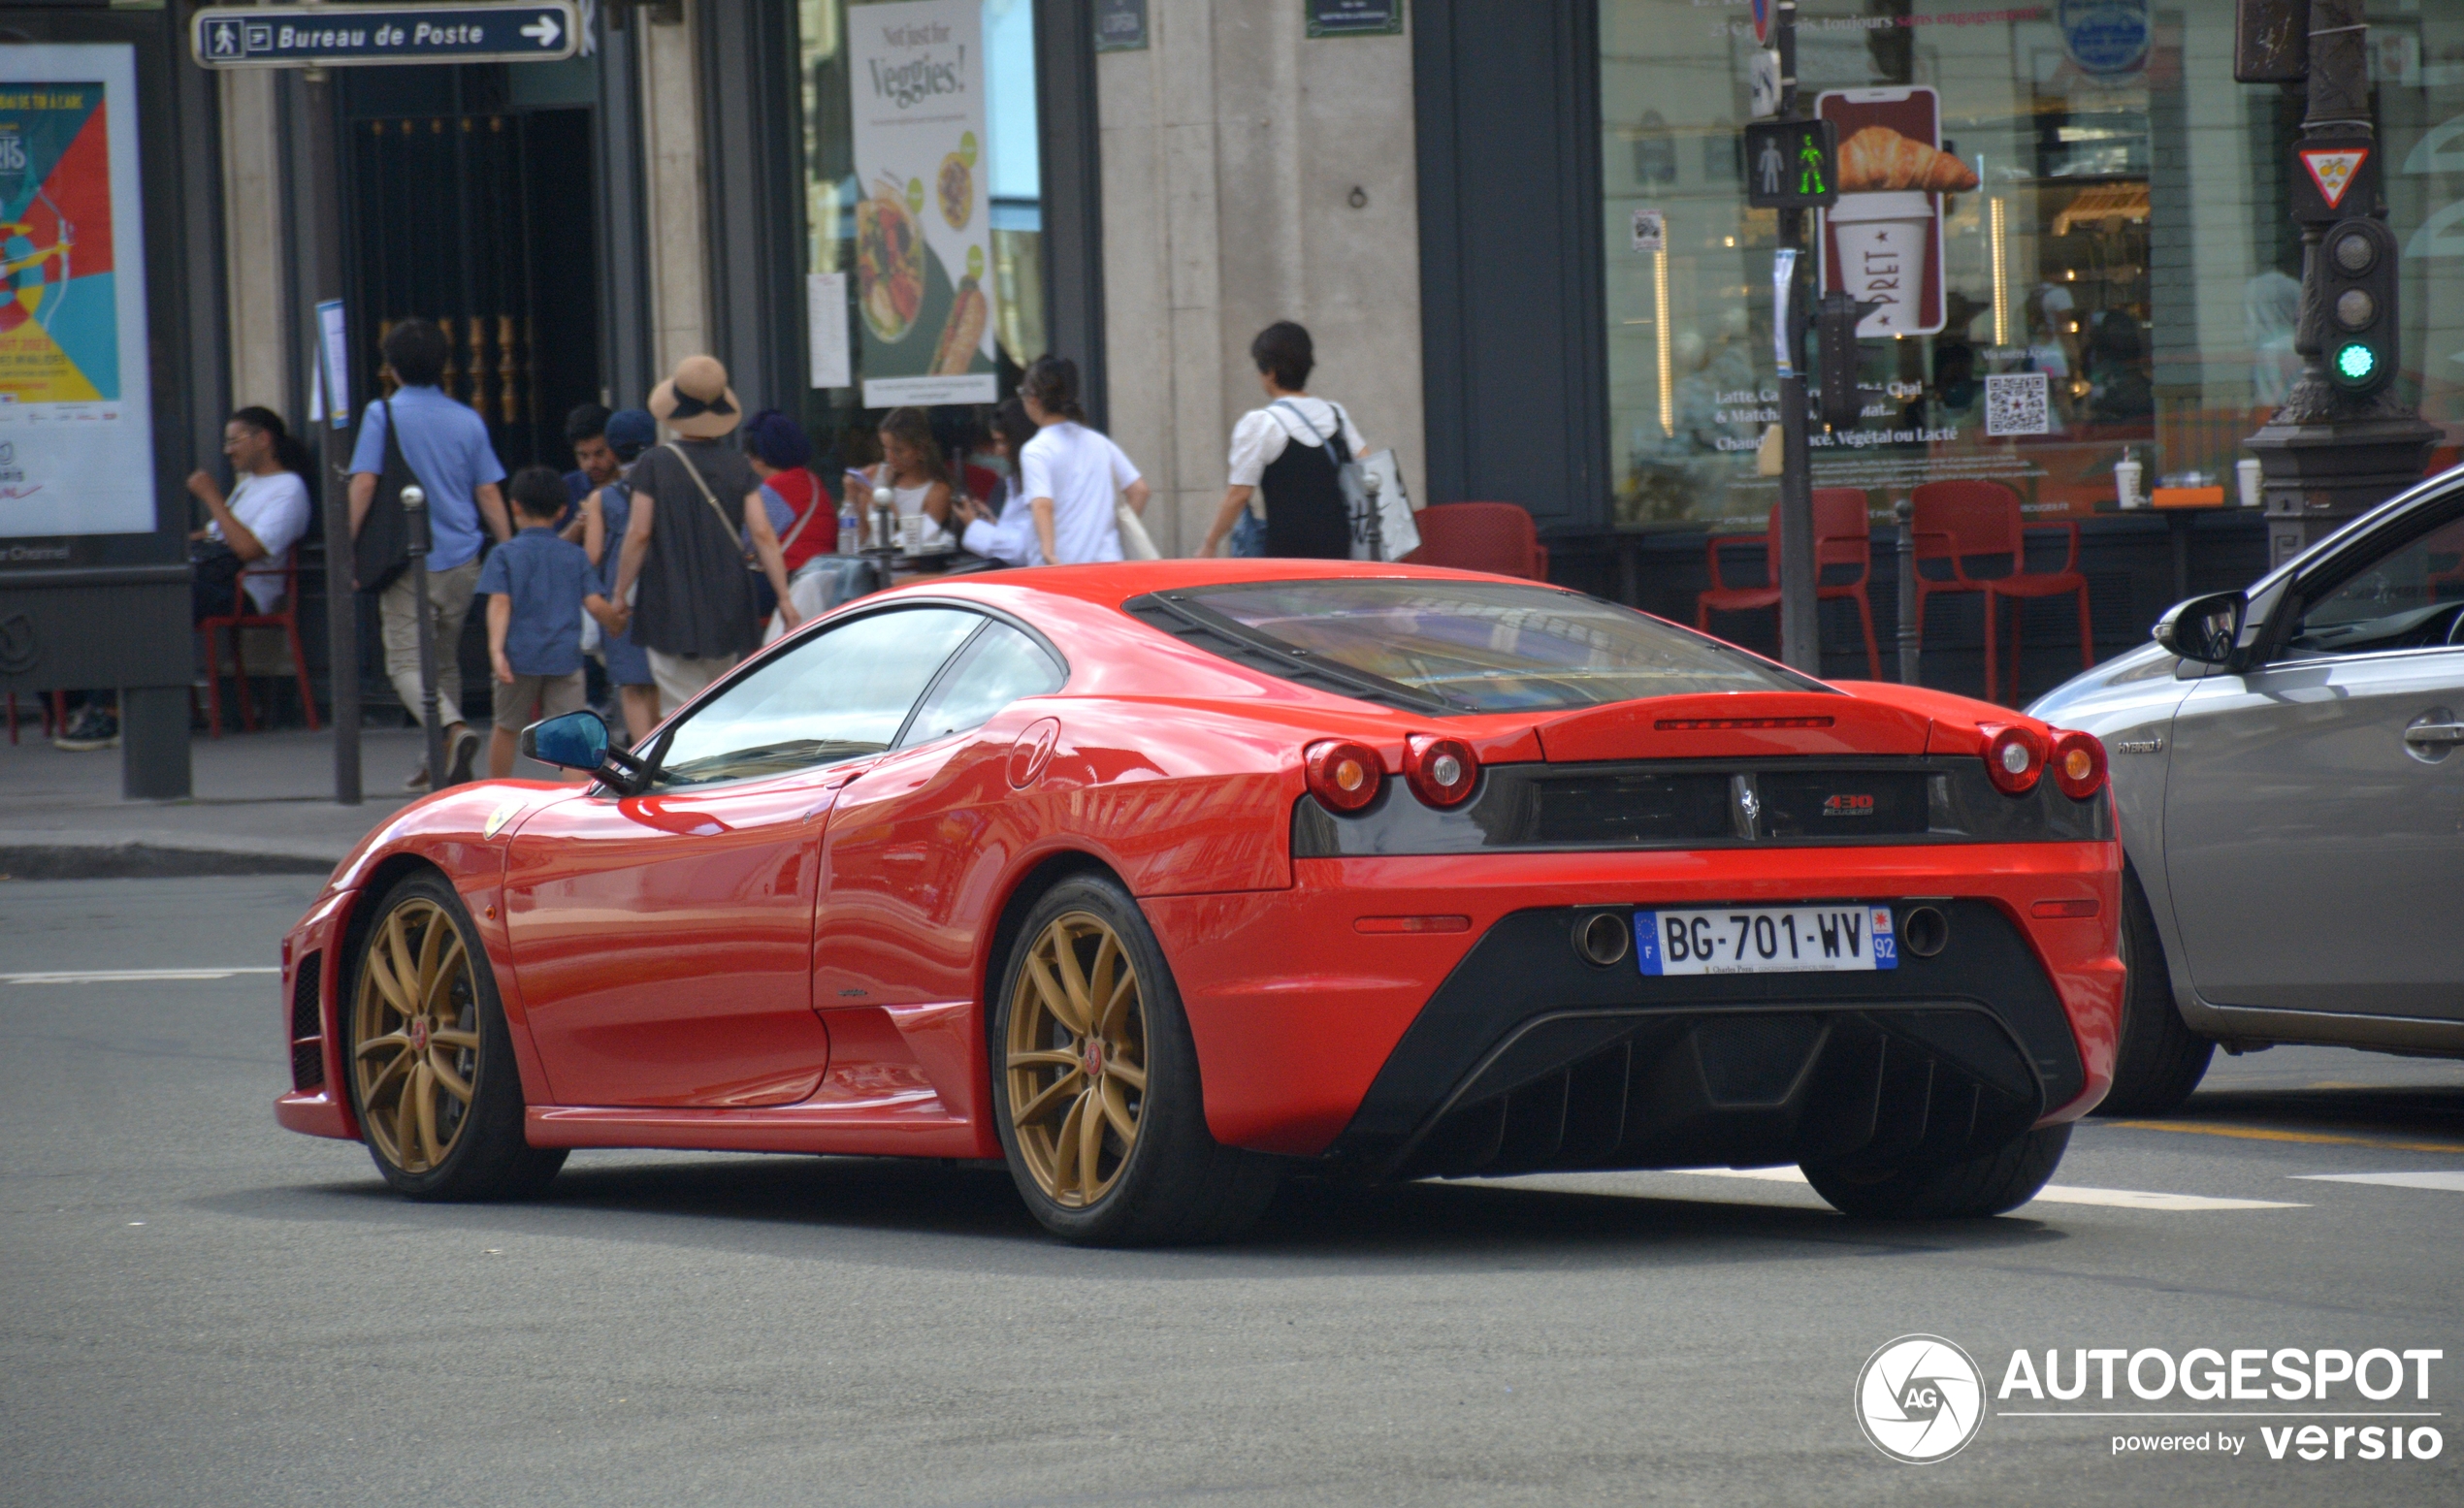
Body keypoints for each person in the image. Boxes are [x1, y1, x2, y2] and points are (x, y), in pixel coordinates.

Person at [55, 405, 318, 752]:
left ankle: (117, 712)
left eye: (234, 441)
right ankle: (99, 707)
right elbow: (213, 535)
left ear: (263, 439)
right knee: (125, 594)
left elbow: (249, 549)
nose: (227, 450)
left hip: (244, 589)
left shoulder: (288, 488)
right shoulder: (250, 485)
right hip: (213, 578)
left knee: (155, 603)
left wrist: (211, 497)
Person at [348, 317, 511, 790]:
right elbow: (488, 492)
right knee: (443, 664)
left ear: (391, 367)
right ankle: (438, 758)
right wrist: (510, 546)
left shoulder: (382, 415)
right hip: (463, 558)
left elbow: (364, 482)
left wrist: (346, 542)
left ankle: (453, 729)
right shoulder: (467, 419)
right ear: (444, 365)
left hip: (408, 560)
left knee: (403, 664)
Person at [609, 356, 801, 711]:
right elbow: (762, 533)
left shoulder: (654, 463)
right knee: (718, 703)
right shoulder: (739, 465)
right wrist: (784, 598)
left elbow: (638, 533)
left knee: (680, 710)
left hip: (668, 602)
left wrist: (620, 593)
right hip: (728, 601)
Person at [481, 467, 624, 779]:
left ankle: (498, 790)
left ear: (514, 506)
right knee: (569, 736)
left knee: (506, 727)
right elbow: (594, 604)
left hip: (517, 656)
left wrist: (496, 651)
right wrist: (615, 622)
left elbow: (500, 603)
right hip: (565, 658)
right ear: (562, 511)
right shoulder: (574, 556)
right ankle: (573, 799)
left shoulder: (503, 554)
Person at [1197, 321, 1366, 559]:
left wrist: (1210, 543)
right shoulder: (1336, 415)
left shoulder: (1261, 423)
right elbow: (1368, 466)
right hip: (1340, 550)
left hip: (1288, 556)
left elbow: (1239, 493)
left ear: (1270, 372)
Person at [579, 408, 661, 743]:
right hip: (661, 591)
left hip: (621, 599)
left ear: (611, 452)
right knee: (656, 681)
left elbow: (593, 556)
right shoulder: (663, 488)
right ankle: (660, 749)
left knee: (631, 685)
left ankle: (643, 758)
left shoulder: (602, 498)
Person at [1017, 356, 1148, 565]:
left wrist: (1049, 552)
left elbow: (1042, 504)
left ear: (1033, 399)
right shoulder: (1098, 442)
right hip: (1108, 564)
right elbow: (1139, 490)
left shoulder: (1036, 450)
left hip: (1064, 571)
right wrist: (1111, 534)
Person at [848, 406, 956, 553]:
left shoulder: (938, 492)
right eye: (885, 448)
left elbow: (913, 545)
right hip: (870, 562)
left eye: (898, 450)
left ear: (920, 450)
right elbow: (860, 539)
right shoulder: (874, 474)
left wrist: (886, 507)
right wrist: (852, 497)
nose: (889, 457)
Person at [742, 408, 836, 571]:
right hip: (817, 574)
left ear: (760, 459)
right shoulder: (811, 480)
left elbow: (747, 541)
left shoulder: (773, 490)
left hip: (789, 574)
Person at [953, 398, 1041, 566]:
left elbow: (1023, 550)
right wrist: (993, 523)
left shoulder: (1036, 480)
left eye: (1003, 442)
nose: (998, 451)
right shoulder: (1014, 480)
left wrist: (975, 525)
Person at [560, 402, 617, 541]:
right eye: (583, 456)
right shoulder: (567, 487)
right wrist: (579, 525)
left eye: (600, 453)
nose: (592, 464)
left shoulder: (634, 483)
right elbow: (551, 548)